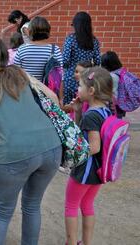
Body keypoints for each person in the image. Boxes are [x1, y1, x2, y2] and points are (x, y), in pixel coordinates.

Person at [0, 34, 62, 244]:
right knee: (32, 205)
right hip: (52, 146)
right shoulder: (19, 72)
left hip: (15, 153)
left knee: (2, 211)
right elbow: (53, 98)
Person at [65, 67, 114, 245]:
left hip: (85, 170)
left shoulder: (91, 115)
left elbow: (93, 146)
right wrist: (77, 112)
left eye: (80, 85)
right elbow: (86, 134)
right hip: (100, 169)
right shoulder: (106, 111)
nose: (78, 89)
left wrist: (72, 154)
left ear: (91, 91)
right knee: (86, 205)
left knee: (71, 206)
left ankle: (70, 242)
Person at [62, 12, 101, 105]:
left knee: (69, 105)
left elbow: (65, 60)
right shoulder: (94, 41)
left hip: (71, 77)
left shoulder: (70, 39)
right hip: (87, 78)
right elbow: (98, 61)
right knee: (84, 105)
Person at [14, 16, 63, 81]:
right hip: (47, 90)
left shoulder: (22, 49)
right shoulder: (55, 49)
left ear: (30, 31)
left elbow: (16, 74)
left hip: (27, 88)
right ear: (48, 31)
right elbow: (61, 76)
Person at [101, 51, 125, 118]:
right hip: (119, 102)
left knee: (113, 120)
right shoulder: (119, 72)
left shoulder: (111, 76)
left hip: (113, 105)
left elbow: (107, 91)